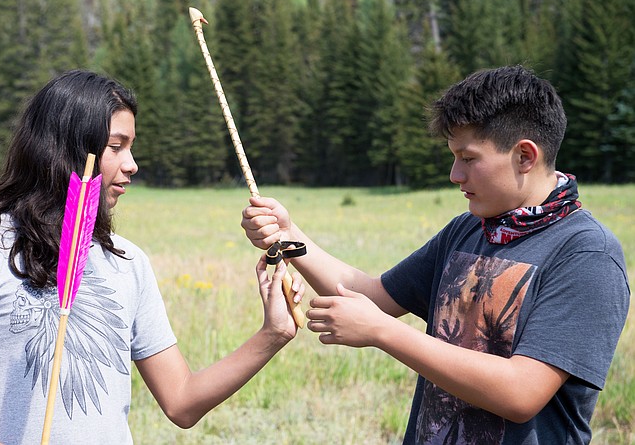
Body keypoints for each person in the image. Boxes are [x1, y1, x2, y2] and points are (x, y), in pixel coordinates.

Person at [241, 65, 630, 444]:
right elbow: (373, 295)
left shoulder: (586, 255)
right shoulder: (467, 230)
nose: (454, 175)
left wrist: (382, 332)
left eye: (469, 158)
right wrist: (290, 235)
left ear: (525, 157)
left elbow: (521, 392)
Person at [0, 69, 304, 445]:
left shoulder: (128, 263)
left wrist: (272, 334)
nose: (132, 164)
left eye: (131, 147)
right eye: (116, 146)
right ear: (65, 150)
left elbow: (182, 401)